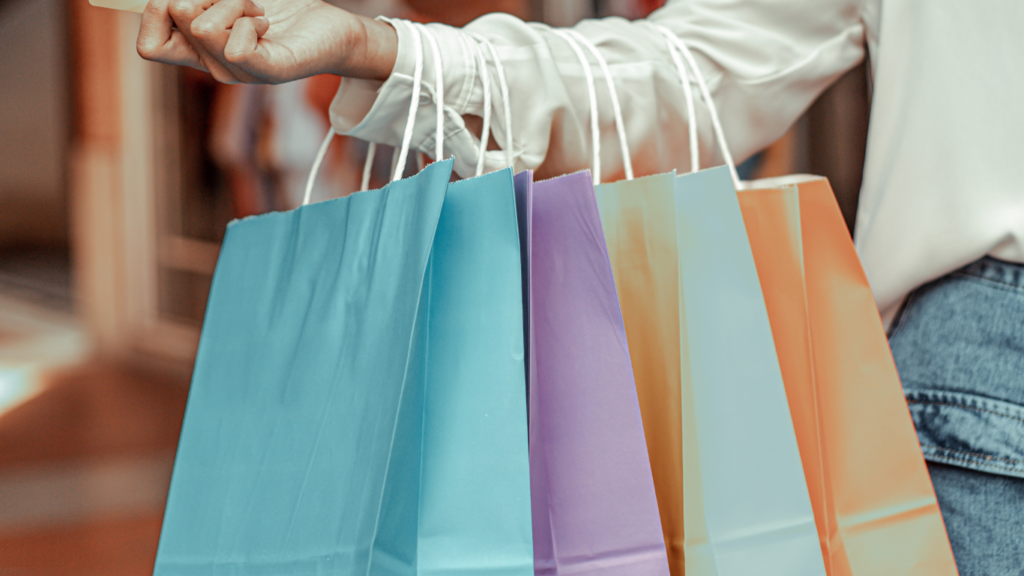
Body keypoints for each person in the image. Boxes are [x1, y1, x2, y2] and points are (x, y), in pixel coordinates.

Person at [136, 0, 1024, 572]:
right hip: (976, 381)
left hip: (975, 375)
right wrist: (386, 50)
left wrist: (398, 52)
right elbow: (694, 74)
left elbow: (691, 76)